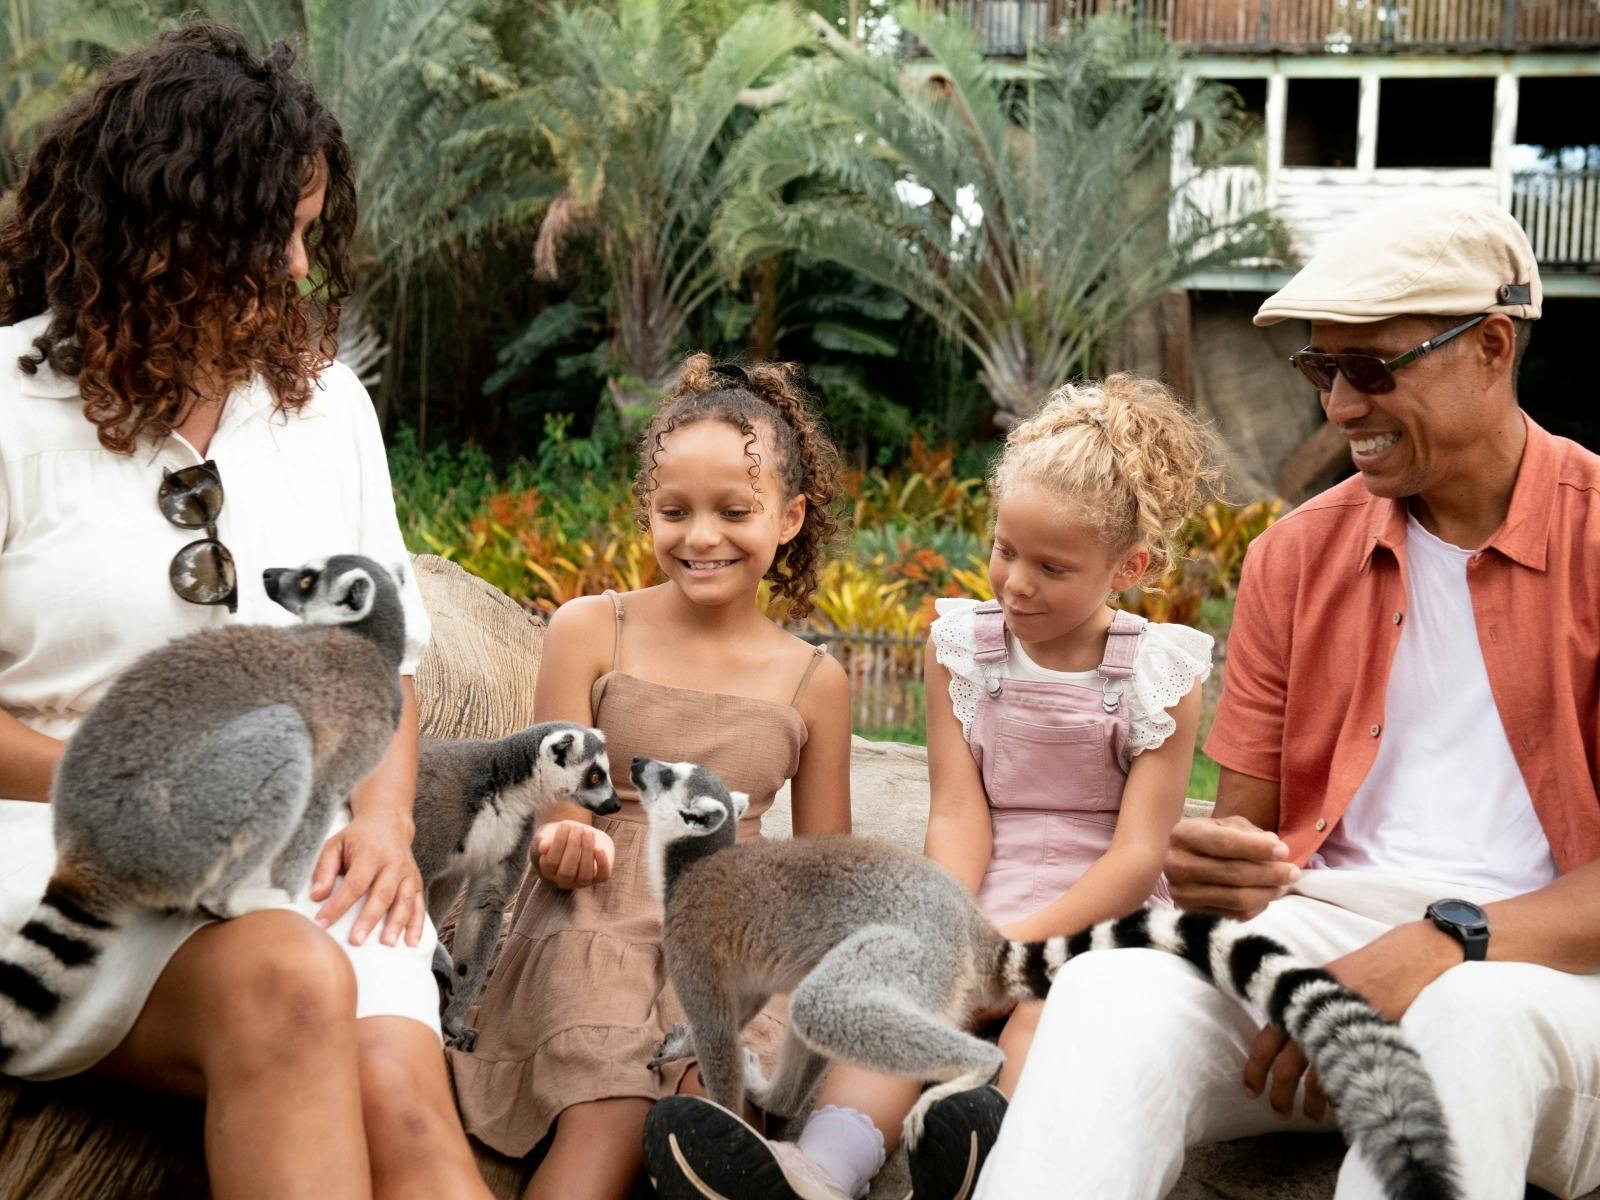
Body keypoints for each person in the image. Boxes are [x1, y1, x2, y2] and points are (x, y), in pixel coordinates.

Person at [977, 198, 1600, 1199]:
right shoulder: (1294, 558)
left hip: (1557, 975)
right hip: (1330, 942)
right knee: (1108, 988)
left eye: (1369, 369)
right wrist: (1214, 862)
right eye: (1320, 370)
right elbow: (1245, 845)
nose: (1338, 408)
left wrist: (1440, 946)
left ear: (1490, 347)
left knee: (1465, 1019)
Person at [0, 23, 492, 1199]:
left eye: (310, 236)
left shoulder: (328, 413)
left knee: (411, 1118)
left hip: (296, 839)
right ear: (167, 234)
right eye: (277, 236)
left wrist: (379, 831)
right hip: (50, 849)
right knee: (286, 979)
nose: (299, 273)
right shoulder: (11, 410)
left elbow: (387, 670)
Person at [644, 375, 1221, 1200]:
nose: (1015, 582)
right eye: (1004, 549)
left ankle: (986, 1156)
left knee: (1046, 1014)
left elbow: (1138, 853)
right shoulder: (963, 646)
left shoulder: (1160, 671)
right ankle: (818, 1170)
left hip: (1101, 911)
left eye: (1050, 567)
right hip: (978, 894)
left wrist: (1017, 948)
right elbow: (957, 811)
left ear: (1126, 567)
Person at [448, 355, 854, 1200]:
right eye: (675, 512)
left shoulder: (814, 680)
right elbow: (560, 804)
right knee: (609, 1117)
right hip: (594, 910)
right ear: (648, 513)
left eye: (734, 511)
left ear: (789, 517)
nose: (700, 537)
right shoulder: (593, 630)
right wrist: (565, 837)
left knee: (713, 1122)